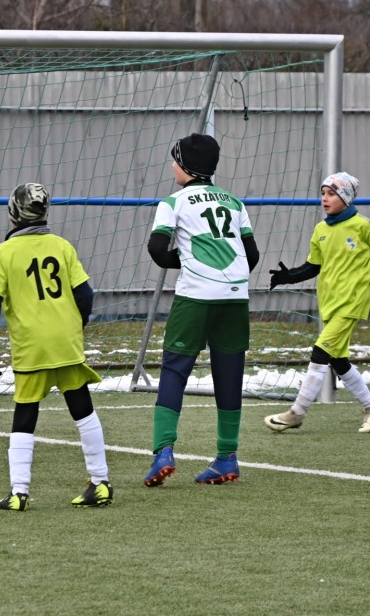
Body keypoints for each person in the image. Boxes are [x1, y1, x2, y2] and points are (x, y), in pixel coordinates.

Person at [0, 182, 111, 511]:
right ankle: (101, 482)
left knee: (25, 413)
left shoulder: (4, 252)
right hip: (66, 342)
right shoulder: (62, 246)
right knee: (82, 408)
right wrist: (74, 326)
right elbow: (85, 295)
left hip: (32, 347)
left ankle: (19, 492)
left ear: (13, 213)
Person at [143, 133, 259, 488]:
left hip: (196, 295)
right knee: (229, 373)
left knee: (175, 369)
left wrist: (188, 261)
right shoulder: (234, 202)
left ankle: (163, 451)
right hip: (236, 296)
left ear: (186, 166)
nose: (171, 166)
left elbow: (157, 250)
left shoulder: (173, 202)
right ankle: (227, 457)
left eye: (174, 160)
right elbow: (252, 255)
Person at [264, 171, 370, 433]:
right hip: (329, 302)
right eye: (323, 193)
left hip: (353, 301)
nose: (325, 198)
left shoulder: (363, 226)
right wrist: (288, 277)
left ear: (346, 197)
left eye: (331, 193)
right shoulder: (320, 229)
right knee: (338, 361)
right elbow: (313, 266)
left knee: (320, 352)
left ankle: (297, 413)